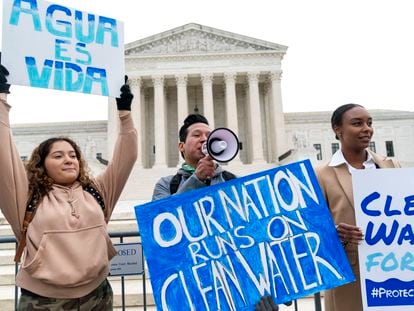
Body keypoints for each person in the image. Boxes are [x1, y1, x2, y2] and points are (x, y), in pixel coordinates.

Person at [0, 62, 138, 310]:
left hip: (97, 293)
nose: (69, 159)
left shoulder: (96, 190)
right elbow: (3, 157)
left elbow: (126, 159)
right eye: (58, 155)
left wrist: (125, 114)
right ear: (41, 163)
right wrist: (1, 99)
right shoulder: (27, 196)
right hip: (44, 300)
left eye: (73, 155)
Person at [152, 114, 279, 311]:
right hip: (192, 288)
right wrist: (196, 179)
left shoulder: (233, 181)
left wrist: (274, 286)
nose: (204, 139)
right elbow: (162, 228)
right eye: (196, 135)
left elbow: (255, 236)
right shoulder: (166, 185)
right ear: (181, 146)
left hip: (234, 286)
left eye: (209, 135)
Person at [315, 103, 400, 311]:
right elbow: (313, 229)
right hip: (348, 276)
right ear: (337, 129)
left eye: (369, 123)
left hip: (393, 271)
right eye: (357, 123)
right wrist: (336, 234)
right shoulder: (321, 174)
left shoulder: (391, 166)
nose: (367, 128)